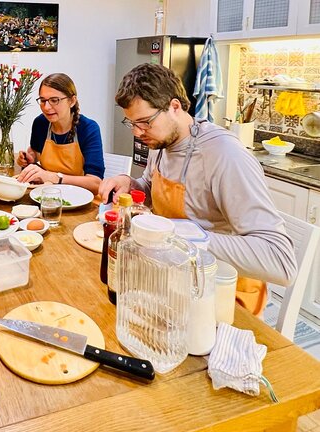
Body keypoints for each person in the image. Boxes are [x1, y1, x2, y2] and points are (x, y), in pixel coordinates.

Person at [99, 63, 297, 315]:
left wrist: (180, 236)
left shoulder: (224, 155)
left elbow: (281, 261)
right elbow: (151, 189)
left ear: (174, 107)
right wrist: (131, 184)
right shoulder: (161, 143)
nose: (138, 133)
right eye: (132, 123)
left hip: (222, 294)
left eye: (145, 122)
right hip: (176, 282)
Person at [16, 73, 104, 195]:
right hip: (46, 195)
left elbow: (95, 183)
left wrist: (55, 177)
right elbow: (35, 153)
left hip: (79, 198)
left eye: (54, 100)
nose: (46, 107)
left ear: (72, 101)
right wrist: (29, 158)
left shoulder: (88, 128)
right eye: (42, 100)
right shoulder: (40, 123)